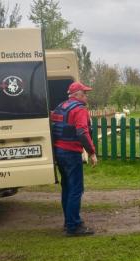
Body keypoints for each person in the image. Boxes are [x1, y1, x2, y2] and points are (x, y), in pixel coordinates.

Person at [51, 81, 98, 236]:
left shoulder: (60, 107)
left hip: (59, 152)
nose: (86, 96)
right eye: (84, 93)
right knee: (76, 189)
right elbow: (82, 133)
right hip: (71, 153)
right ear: (76, 95)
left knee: (67, 188)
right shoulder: (79, 110)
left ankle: (69, 221)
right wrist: (91, 152)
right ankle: (73, 226)